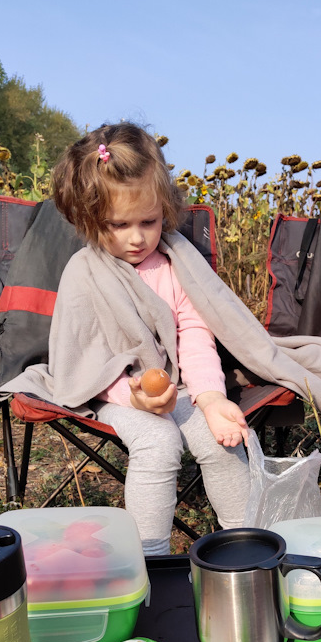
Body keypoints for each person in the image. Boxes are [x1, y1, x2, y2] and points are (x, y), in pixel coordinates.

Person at [45, 123, 251, 554]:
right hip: (111, 392)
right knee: (158, 441)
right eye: (118, 224)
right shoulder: (84, 273)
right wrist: (133, 397)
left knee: (223, 436)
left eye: (149, 221)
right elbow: (83, 358)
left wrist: (212, 398)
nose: (137, 238)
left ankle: (246, 543)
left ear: (165, 211)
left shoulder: (177, 265)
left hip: (176, 383)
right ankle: (148, 558)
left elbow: (194, 332)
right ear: (88, 218)